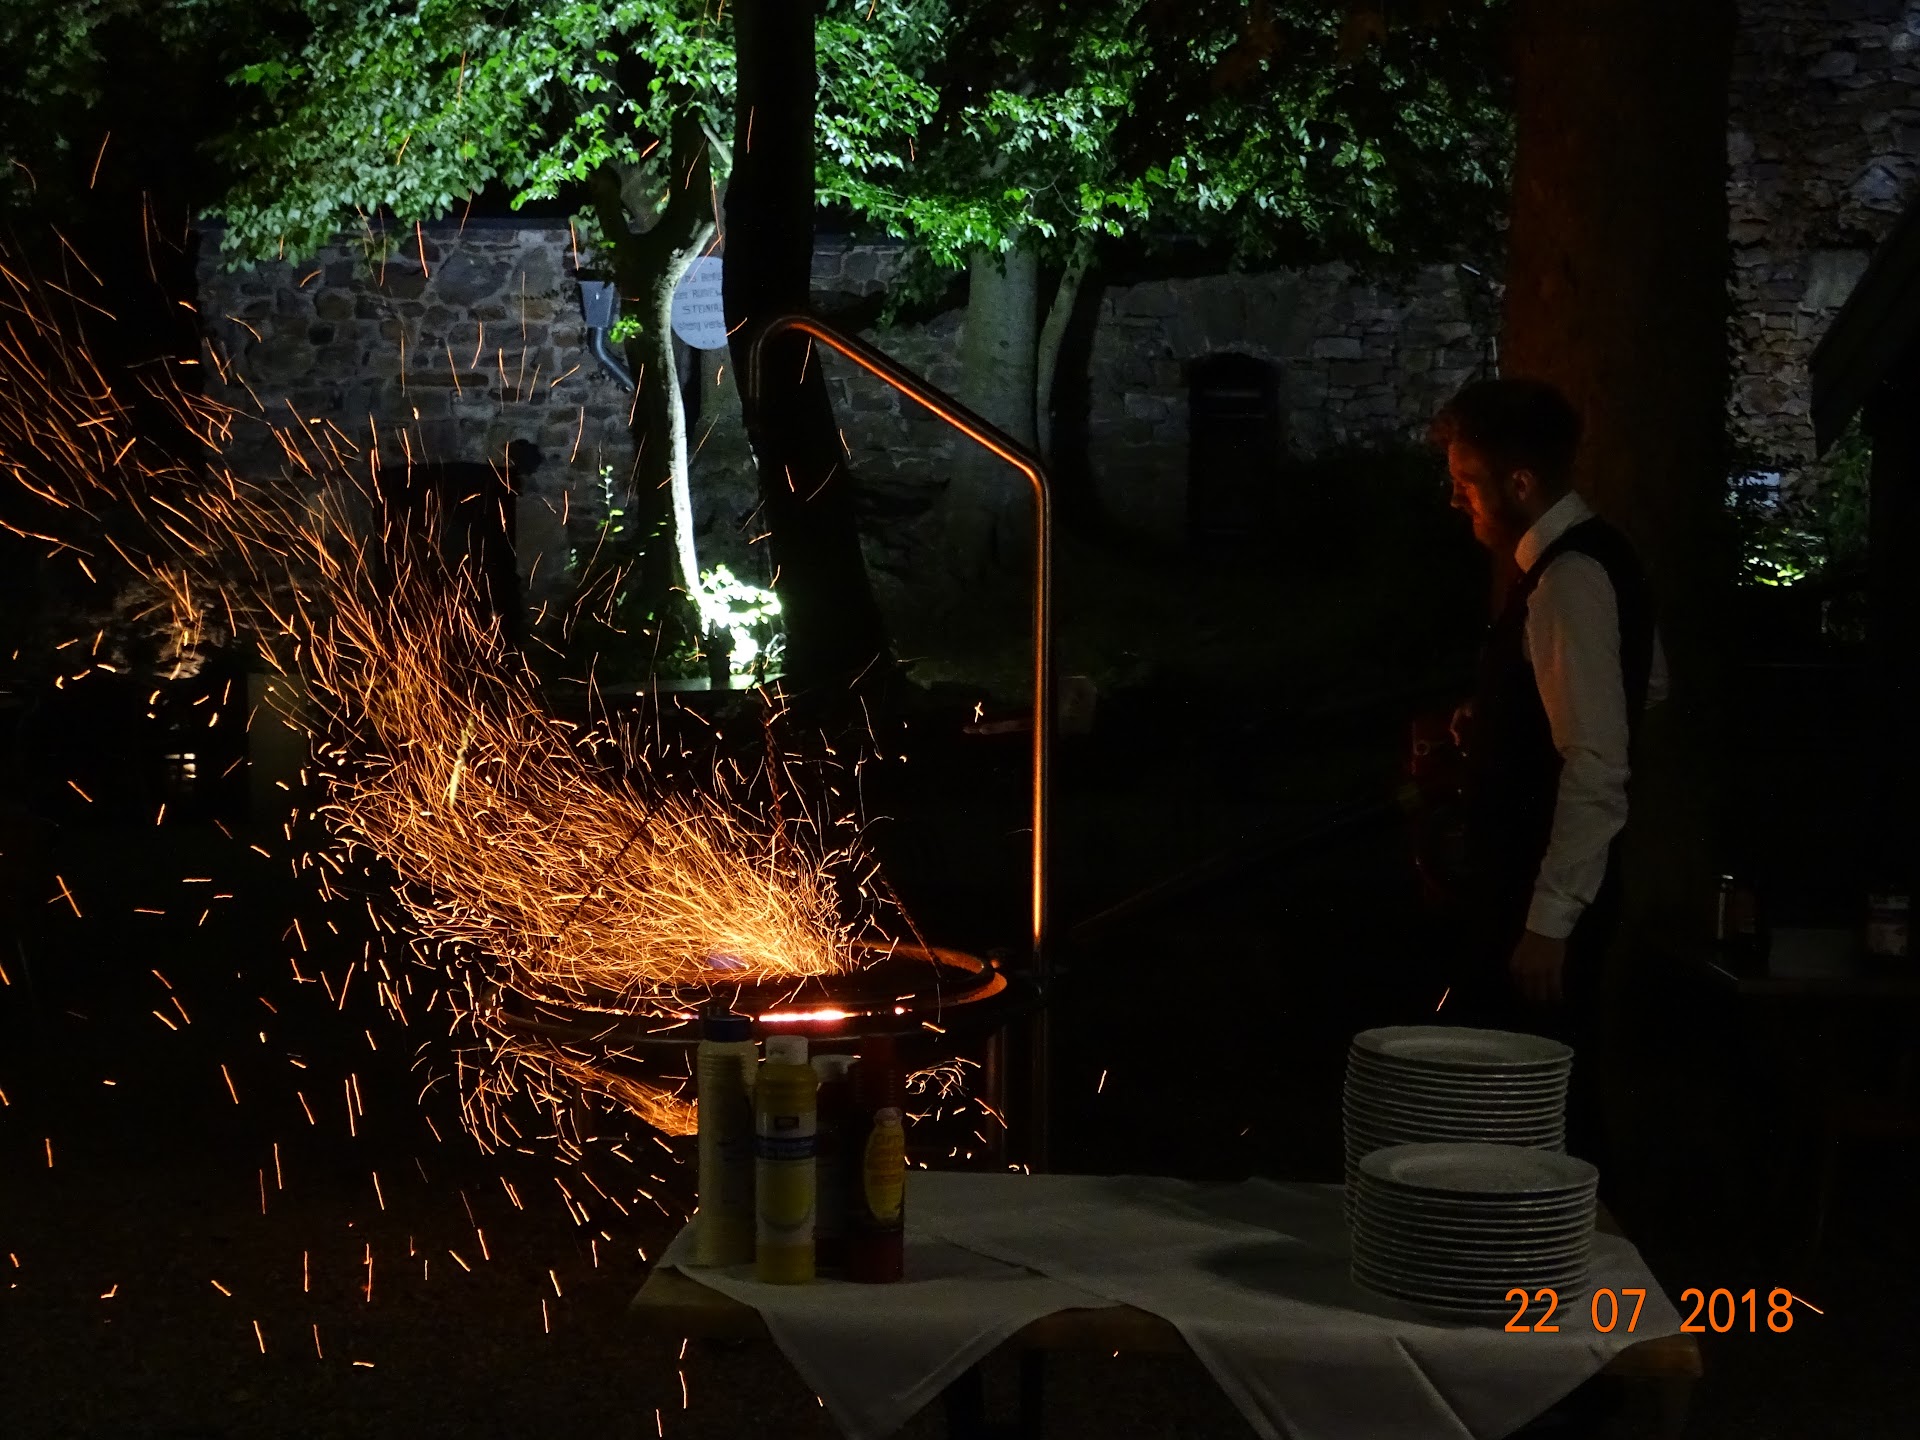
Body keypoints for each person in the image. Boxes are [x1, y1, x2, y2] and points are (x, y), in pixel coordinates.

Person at [1429, 379, 1668, 1154]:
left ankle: (1560, 1229)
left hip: (1537, 898)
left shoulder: (1570, 578)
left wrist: (1548, 922)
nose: (1458, 499)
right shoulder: (1594, 559)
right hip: (1539, 892)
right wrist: (1508, 714)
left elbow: (1596, 761)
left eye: (1468, 481)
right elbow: (1647, 683)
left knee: (1535, 1106)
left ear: (1521, 482)